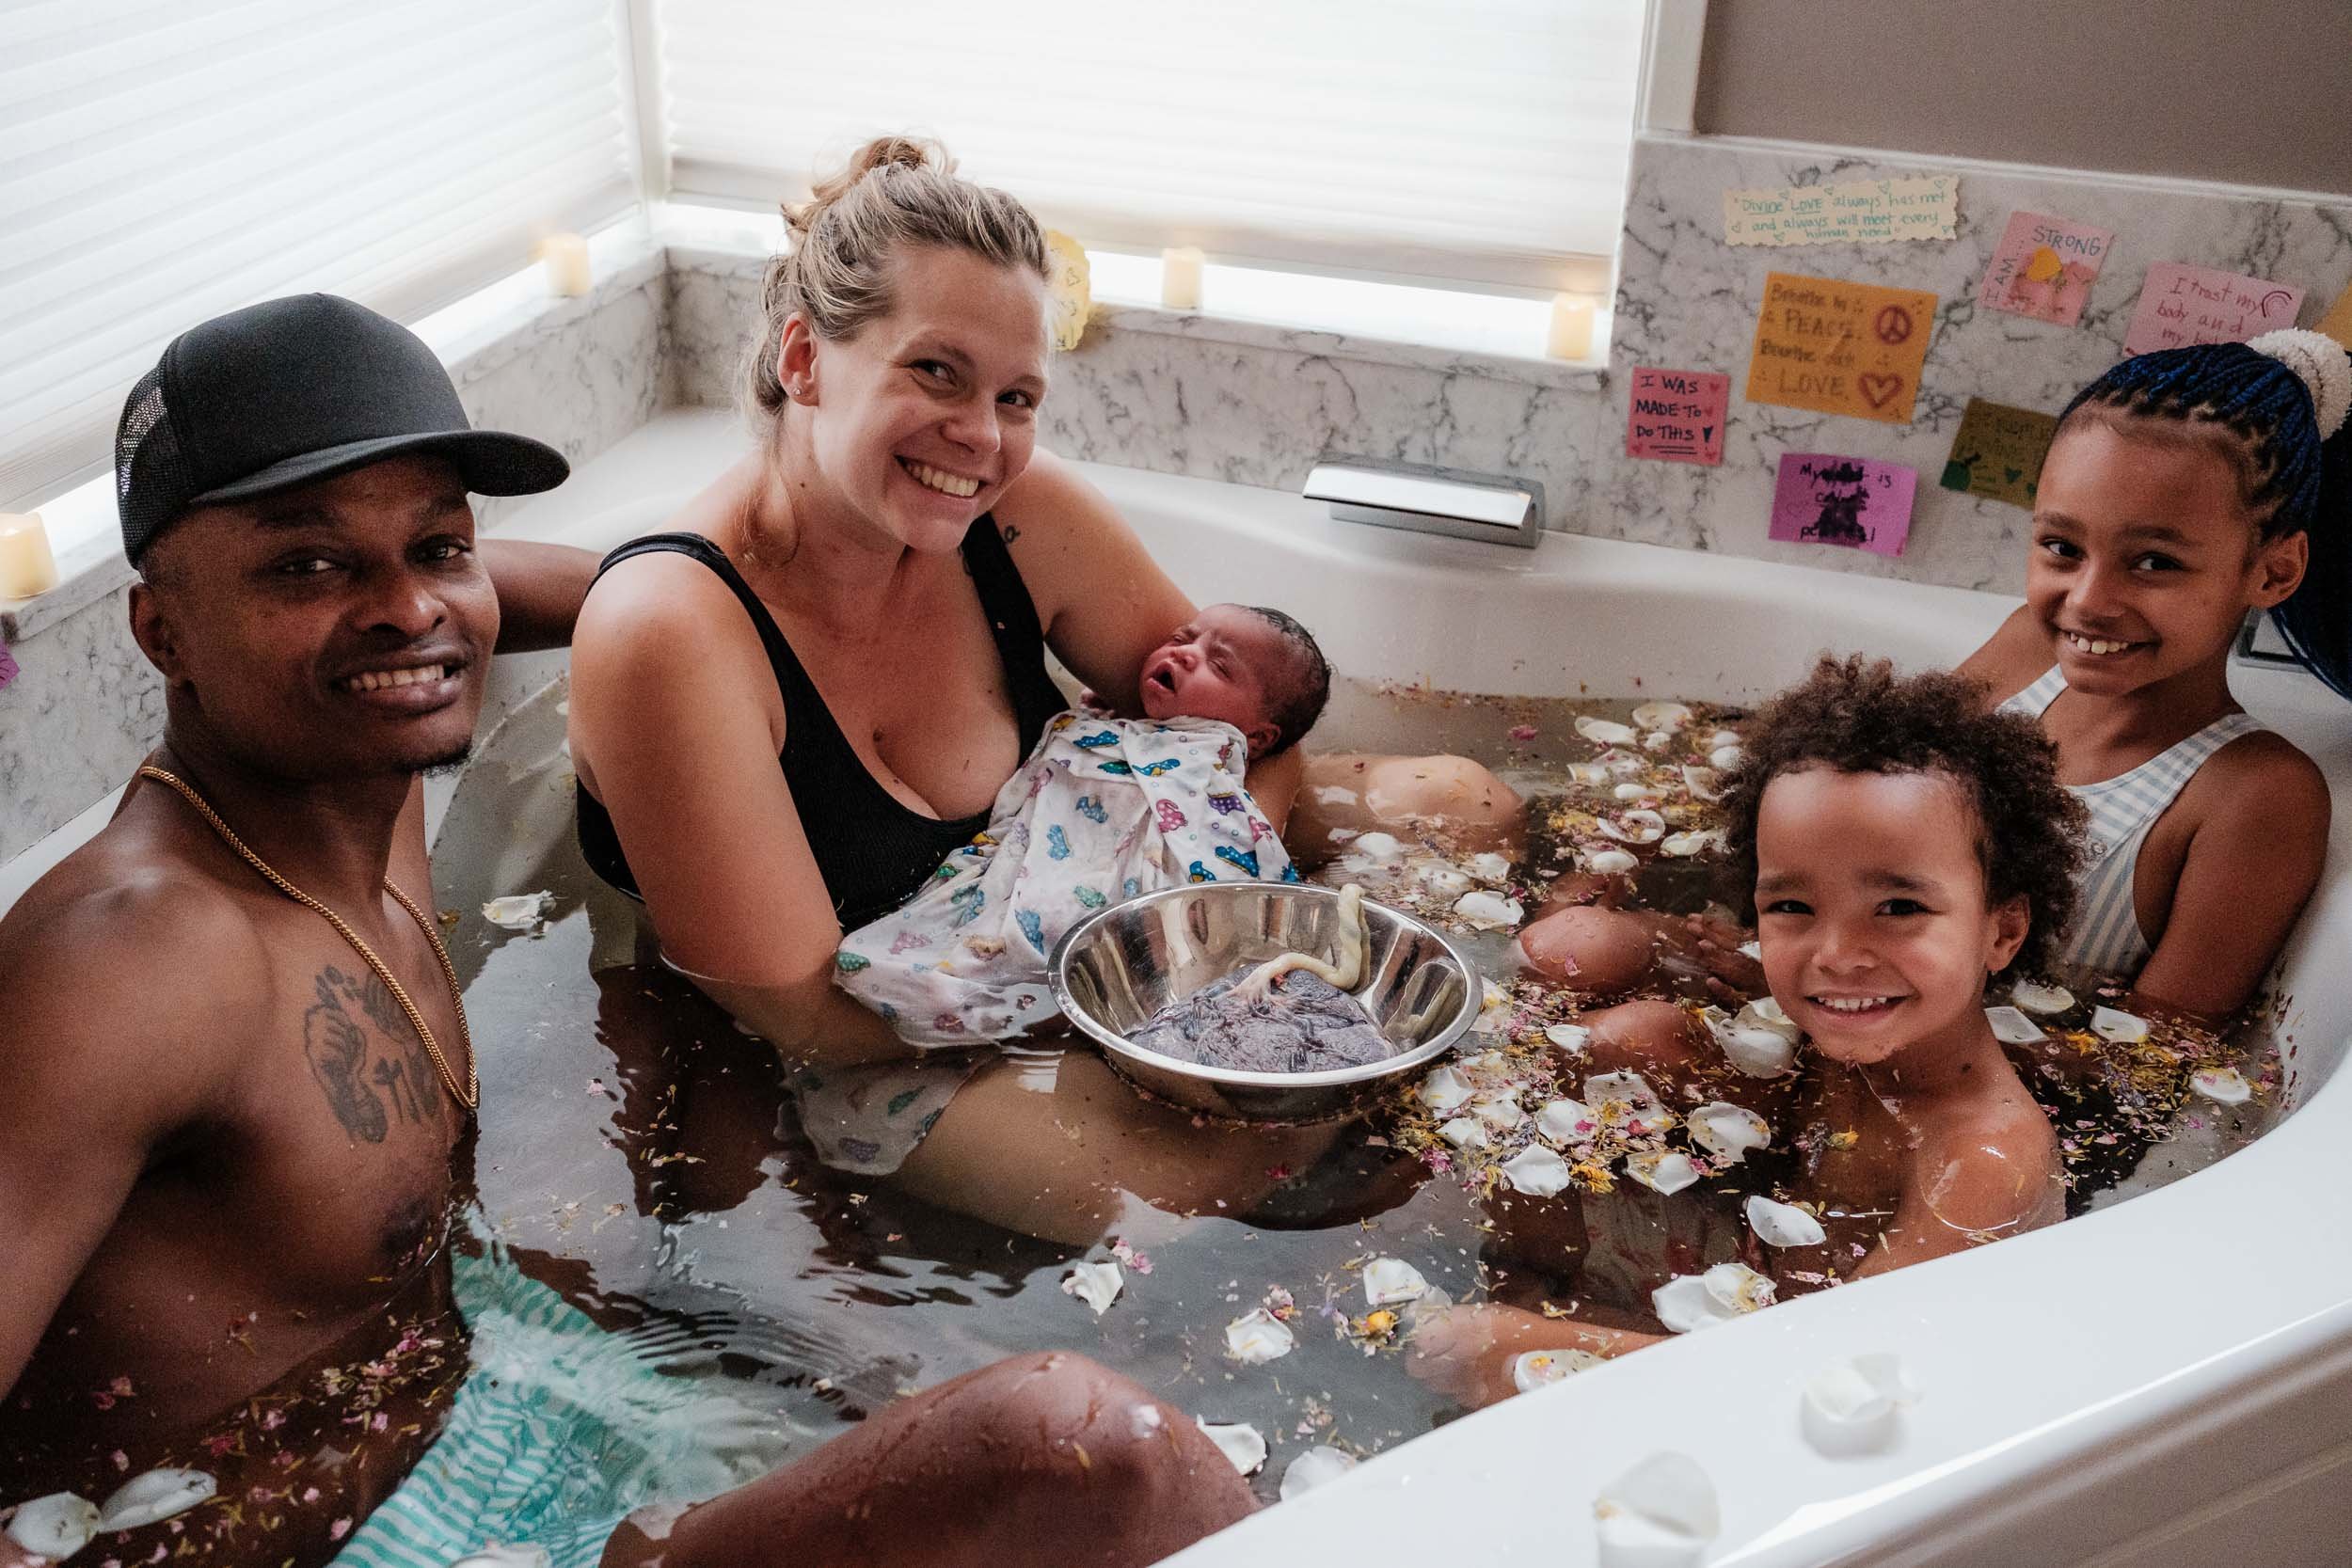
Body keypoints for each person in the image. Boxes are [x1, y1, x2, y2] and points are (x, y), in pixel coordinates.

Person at [0, 296, 1255, 1568]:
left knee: (734, 1093)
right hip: (311, 1536)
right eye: (304, 564)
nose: (403, 608)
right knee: (1085, 1448)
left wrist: (751, 625)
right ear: (160, 628)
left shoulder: (349, 778)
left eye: (437, 545)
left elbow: (557, 589)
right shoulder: (137, 957)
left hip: (462, 1406)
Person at [569, 136, 1506, 1242]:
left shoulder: (1016, 514)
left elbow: (1247, 727)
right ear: (806, 361)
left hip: (1090, 897)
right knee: (1170, 1193)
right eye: (935, 371)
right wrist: (1150, 1010)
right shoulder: (672, 633)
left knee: (1469, 800)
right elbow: (812, 1018)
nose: (979, 437)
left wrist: (1203, 901)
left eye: (1017, 395)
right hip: (893, 1032)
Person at [1410, 657, 2081, 1408]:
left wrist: (1528, 1344)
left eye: (1898, 908)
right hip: (1766, 1256)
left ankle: (1529, 1311)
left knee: (1480, 1351)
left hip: (1797, 1360)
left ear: (2004, 930)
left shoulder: (1987, 1160)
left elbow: (1829, 1376)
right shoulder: (1876, 1033)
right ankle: (1532, 1274)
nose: (1836, 954)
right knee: (1627, 1040)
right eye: (1793, 905)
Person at [1960, 329, 2349, 1020]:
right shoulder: (2025, 651)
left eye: (2154, 562)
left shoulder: (2253, 795)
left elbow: (2157, 1058)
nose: (2088, 600)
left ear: (2273, 570)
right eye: (2062, 547)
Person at [834, 604, 1327, 1054]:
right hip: (1039, 859)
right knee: (909, 955)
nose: (1185, 652)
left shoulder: (1211, 761)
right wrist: (1103, 722)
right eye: (1184, 636)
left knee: (1039, 956)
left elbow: (1232, 858)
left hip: (1103, 889)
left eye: (1219, 666)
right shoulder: (1121, 723)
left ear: (1258, 738)